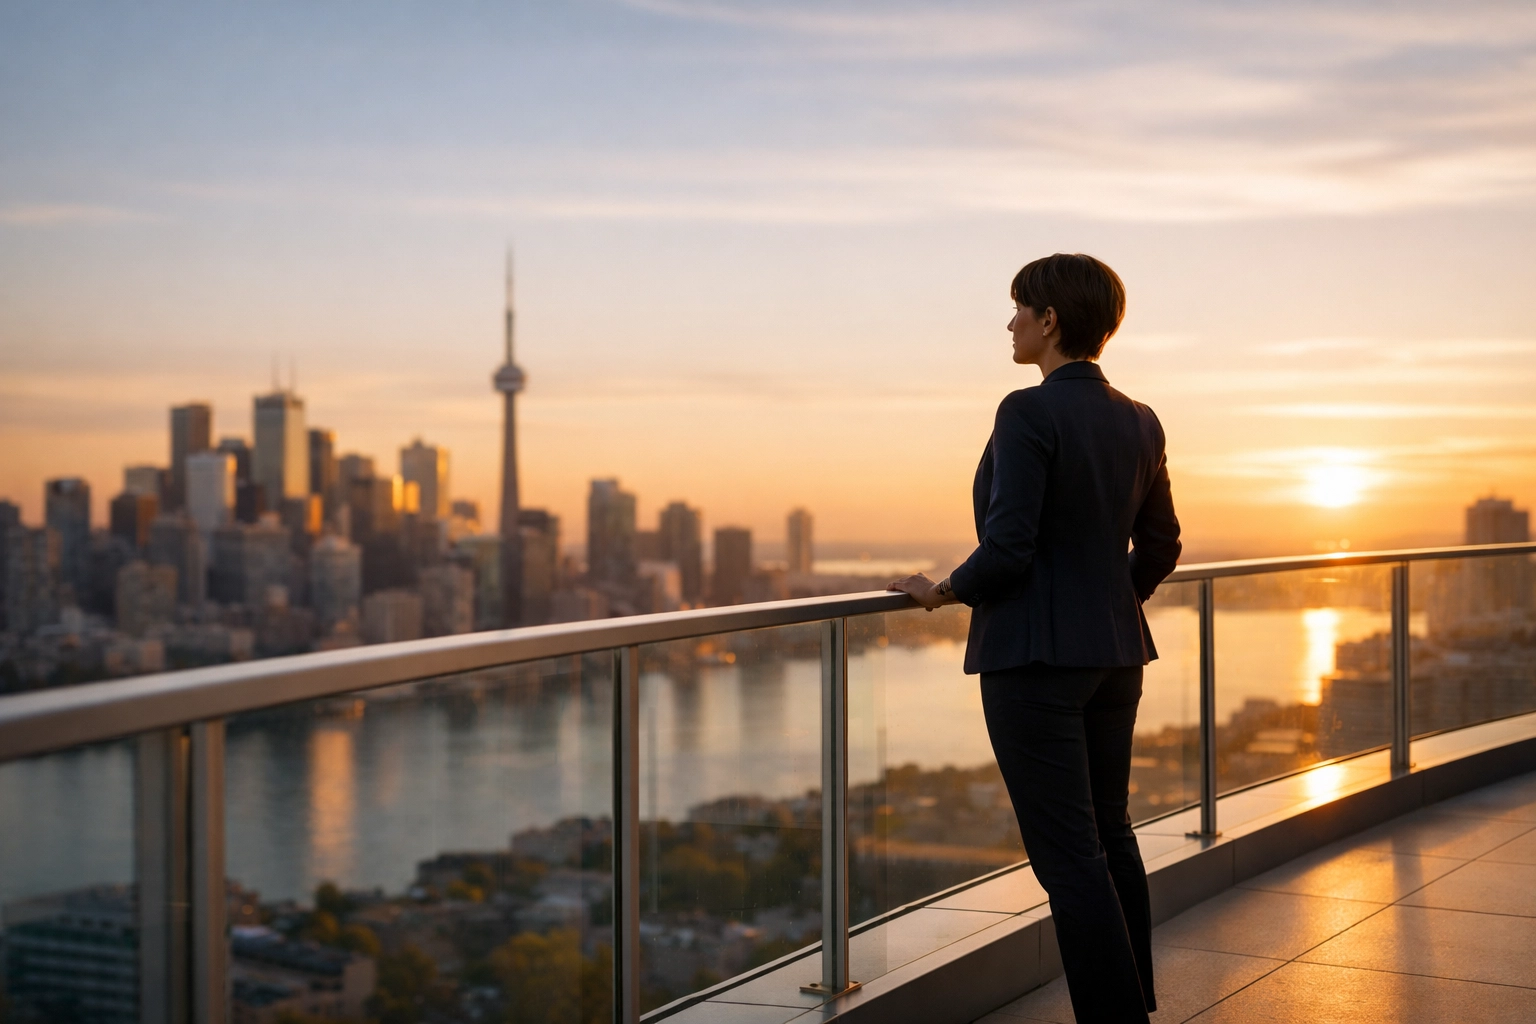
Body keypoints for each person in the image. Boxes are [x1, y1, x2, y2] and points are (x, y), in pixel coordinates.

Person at [889, 253, 1180, 1023]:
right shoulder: (1140, 418)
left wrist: (937, 592)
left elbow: (1010, 545)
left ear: (1050, 321)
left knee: (1069, 856)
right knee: (1111, 834)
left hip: (1033, 660)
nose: (1010, 323)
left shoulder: (1028, 410)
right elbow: (1161, 546)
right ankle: (1135, 1003)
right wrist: (1110, 603)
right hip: (1116, 655)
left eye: (1019, 309)